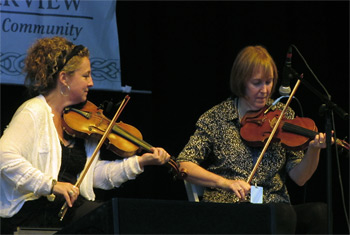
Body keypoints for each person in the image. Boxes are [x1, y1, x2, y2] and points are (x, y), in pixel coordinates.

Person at [0, 36, 171, 233]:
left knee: (121, 216)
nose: (91, 83)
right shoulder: (33, 111)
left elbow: (93, 175)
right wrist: (51, 185)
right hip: (33, 211)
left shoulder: (78, 119)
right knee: (109, 220)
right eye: (85, 76)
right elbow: (4, 157)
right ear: (64, 78)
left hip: (66, 209)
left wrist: (139, 163)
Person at [177, 45, 330, 234]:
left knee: (321, 213)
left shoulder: (283, 116)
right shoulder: (217, 117)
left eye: (269, 82)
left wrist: (314, 150)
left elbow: (299, 178)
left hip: (275, 206)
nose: (265, 90)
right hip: (230, 206)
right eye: (256, 83)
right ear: (241, 82)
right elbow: (184, 164)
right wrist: (226, 183)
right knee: (281, 214)